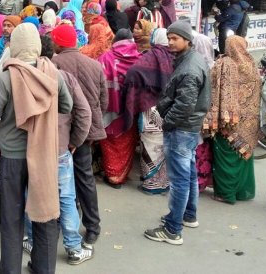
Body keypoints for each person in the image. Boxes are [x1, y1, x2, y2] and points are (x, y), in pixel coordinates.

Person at [0, 23, 72, 274]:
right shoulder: (53, 73)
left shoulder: (7, 77)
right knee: (45, 213)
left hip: (12, 157)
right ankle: (43, 268)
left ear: (15, 46)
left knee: (12, 216)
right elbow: (67, 105)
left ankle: (10, 270)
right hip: (44, 153)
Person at [144, 20, 210, 245]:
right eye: (169, 38)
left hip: (181, 129)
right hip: (188, 128)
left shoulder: (190, 68)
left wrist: (167, 123)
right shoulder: (190, 60)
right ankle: (188, 215)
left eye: (175, 38)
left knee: (180, 179)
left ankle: (173, 230)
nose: (171, 42)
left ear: (187, 40)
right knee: (189, 173)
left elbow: (185, 105)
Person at [50, 24, 107, 249]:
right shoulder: (95, 65)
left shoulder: (54, 65)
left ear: (58, 43)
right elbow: (103, 100)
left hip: (62, 132)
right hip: (87, 129)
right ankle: (92, 226)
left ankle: (59, 226)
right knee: (85, 178)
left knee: (61, 182)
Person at [203, 36, 259, 204]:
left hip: (228, 122)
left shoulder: (225, 63)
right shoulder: (251, 64)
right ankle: (241, 192)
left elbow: (213, 87)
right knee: (242, 157)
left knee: (225, 158)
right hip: (248, 123)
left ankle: (225, 194)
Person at [123, 28, 174, 195]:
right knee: (162, 149)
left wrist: (139, 90)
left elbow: (133, 72)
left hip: (149, 111)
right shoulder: (175, 57)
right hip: (168, 110)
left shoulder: (150, 56)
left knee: (150, 147)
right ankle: (163, 183)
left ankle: (151, 185)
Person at [98, 29, 141, 188]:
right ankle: (122, 174)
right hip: (130, 111)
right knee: (127, 141)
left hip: (109, 109)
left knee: (110, 140)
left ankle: (112, 175)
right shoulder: (139, 59)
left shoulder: (105, 58)